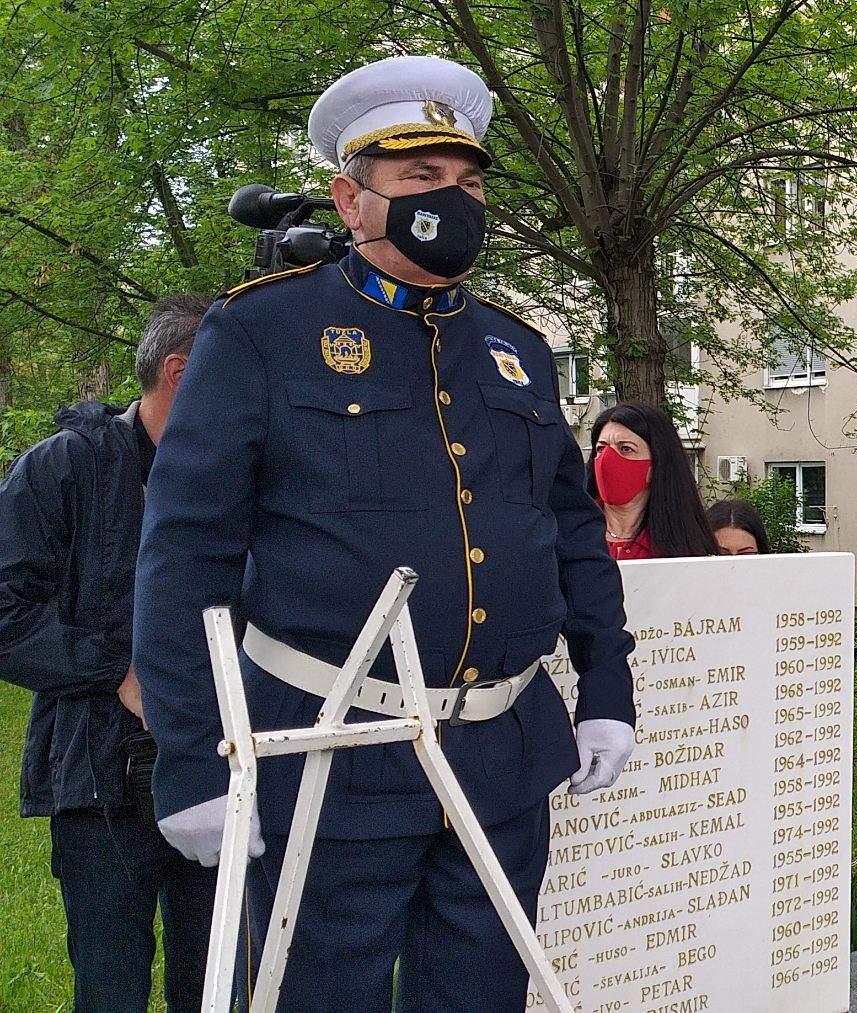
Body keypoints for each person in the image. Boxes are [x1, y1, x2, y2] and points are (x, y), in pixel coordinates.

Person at [132, 56, 637, 1010]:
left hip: (500, 757)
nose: (455, 200)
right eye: (421, 180)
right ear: (351, 199)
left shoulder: (518, 349)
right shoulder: (265, 331)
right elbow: (184, 548)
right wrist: (196, 758)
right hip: (330, 750)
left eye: (470, 181)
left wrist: (605, 682)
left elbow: (571, 532)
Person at [0, 295, 216, 1012]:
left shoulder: (242, 478)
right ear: (180, 371)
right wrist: (118, 670)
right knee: (112, 988)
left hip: (223, 775)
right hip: (99, 780)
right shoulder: (63, 468)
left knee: (220, 986)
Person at [584, 401, 716, 559]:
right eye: (601, 448)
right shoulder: (569, 532)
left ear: (657, 462)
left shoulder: (684, 544)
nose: (607, 459)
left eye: (626, 448)